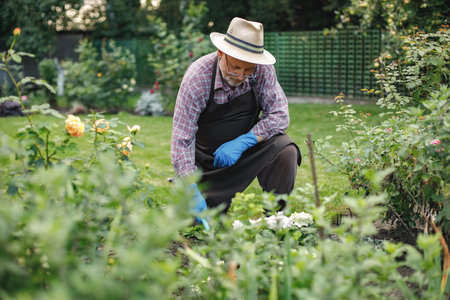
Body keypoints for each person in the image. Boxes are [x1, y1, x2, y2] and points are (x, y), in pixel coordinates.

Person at [171, 17, 301, 226]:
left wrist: (244, 141)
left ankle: (276, 221)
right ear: (221, 54)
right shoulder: (198, 77)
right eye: (235, 67)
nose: (241, 75)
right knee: (199, 227)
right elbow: (181, 140)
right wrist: (190, 188)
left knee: (285, 150)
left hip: (247, 150)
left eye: (248, 70)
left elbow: (279, 114)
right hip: (208, 162)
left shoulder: (262, 69)